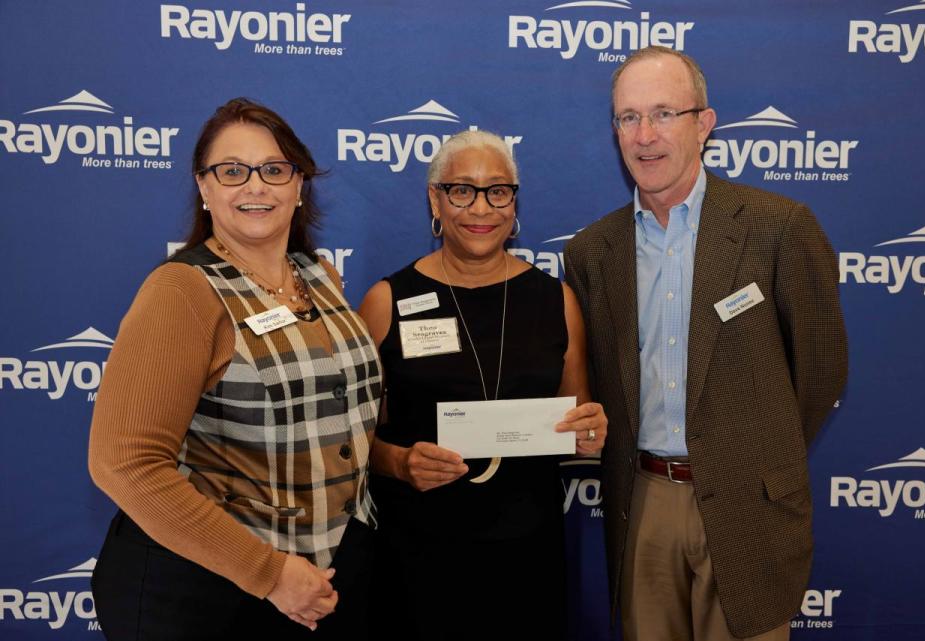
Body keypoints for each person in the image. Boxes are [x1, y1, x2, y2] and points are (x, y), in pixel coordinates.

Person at [564, 46, 848, 641]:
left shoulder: (778, 227)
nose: (644, 135)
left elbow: (820, 371)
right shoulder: (593, 251)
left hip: (751, 504)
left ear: (705, 124)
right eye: (628, 117)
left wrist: (760, 454)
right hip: (641, 501)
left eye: (664, 113)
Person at [88, 97, 382, 640]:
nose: (255, 186)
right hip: (206, 591)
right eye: (232, 171)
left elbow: (332, 416)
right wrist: (267, 573)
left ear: (299, 185)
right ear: (204, 187)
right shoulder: (182, 291)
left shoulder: (319, 276)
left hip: (321, 578)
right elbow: (125, 464)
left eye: (274, 170)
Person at [357, 129, 608, 641]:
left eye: (498, 191)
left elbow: (577, 417)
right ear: (435, 198)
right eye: (462, 190)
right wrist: (400, 463)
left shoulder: (555, 300)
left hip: (526, 553)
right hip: (417, 553)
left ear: (514, 203)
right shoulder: (387, 301)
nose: (481, 208)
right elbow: (351, 441)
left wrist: (590, 430)